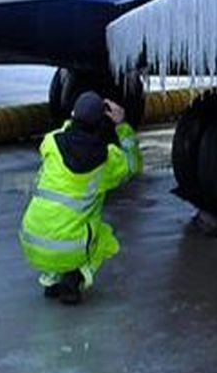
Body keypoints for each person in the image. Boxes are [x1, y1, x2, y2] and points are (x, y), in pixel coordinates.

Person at [19, 90, 141, 305]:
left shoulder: (51, 143)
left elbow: (66, 131)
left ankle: (51, 278)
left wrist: (79, 116)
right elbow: (133, 166)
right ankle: (73, 279)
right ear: (101, 123)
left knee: (60, 221)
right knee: (104, 237)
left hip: (30, 239)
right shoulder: (107, 161)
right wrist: (122, 126)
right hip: (68, 249)